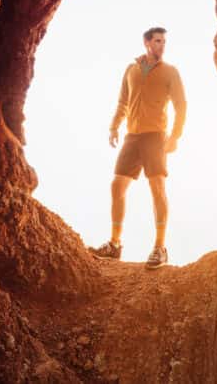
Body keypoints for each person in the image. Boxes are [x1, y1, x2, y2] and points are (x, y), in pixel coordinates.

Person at [89, 26, 186, 269]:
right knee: (117, 186)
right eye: (157, 41)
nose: (162, 46)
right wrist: (114, 126)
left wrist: (175, 137)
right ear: (146, 43)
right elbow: (123, 100)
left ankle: (160, 247)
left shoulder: (171, 72)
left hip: (155, 137)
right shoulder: (131, 69)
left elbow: (181, 106)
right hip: (132, 137)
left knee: (157, 188)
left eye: (164, 42)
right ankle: (114, 244)